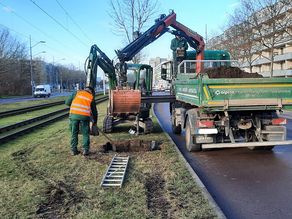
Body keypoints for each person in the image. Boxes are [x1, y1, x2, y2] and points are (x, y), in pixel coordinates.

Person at [65, 86, 98, 156]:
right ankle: (86, 150)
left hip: (74, 115)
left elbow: (67, 103)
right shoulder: (91, 97)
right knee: (85, 133)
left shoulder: (76, 93)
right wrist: (95, 121)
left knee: (74, 132)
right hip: (85, 117)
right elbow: (94, 112)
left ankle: (74, 150)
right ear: (91, 91)